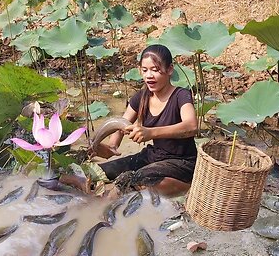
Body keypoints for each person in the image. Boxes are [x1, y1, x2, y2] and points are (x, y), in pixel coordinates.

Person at [61, 44, 198, 197]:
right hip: (153, 157)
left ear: (170, 69)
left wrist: (150, 133)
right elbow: (121, 123)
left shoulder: (181, 95)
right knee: (95, 173)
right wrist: (111, 146)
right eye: (145, 70)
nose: (149, 76)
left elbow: (191, 126)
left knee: (135, 179)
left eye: (155, 70)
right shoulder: (141, 97)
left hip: (181, 162)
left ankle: (181, 186)